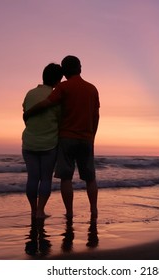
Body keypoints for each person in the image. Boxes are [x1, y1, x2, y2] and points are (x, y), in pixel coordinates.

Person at [23, 55, 100, 221]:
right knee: (90, 178)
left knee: (66, 178)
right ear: (80, 68)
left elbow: (47, 103)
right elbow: (96, 116)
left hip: (66, 138)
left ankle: (70, 212)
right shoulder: (92, 89)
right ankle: (94, 210)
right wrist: (92, 136)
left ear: (64, 72)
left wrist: (28, 113)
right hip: (87, 138)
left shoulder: (64, 87)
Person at [22, 63, 63, 222]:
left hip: (29, 142)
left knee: (32, 178)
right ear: (58, 80)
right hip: (49, 144)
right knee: (45, 178)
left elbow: (25, 113)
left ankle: (33, 210)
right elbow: (60, 120)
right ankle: (40, 211)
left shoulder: (30, 93)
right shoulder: (56, 97)